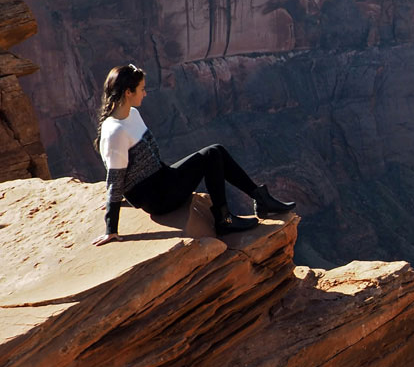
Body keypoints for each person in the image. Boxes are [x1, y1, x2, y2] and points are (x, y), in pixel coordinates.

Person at [92, 64, 294, 246]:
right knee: (211, 157)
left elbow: (135, 168)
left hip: (162, 178)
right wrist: (112, 228)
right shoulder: (115, 131)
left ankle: (260, 199)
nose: (145, 94)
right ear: (128, 92)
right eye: (142, 89)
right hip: (158, 199)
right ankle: (225, 220)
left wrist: (125, 197)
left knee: (216, 150)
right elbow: (116, 179)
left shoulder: (132, 114)